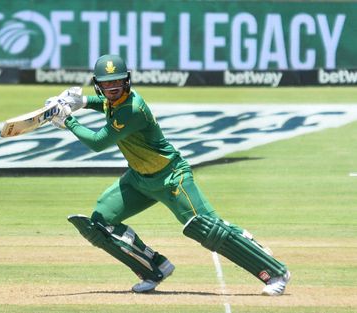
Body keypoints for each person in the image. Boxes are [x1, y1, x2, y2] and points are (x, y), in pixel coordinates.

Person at [45, 54, 291, 296]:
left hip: (172, 177)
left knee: (207, 229)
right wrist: (83, 102)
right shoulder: (115, 101)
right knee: (100, 222)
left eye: (117, 81)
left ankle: (275, 271)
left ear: (127, 80)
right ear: (98, 84)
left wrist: (68, 120)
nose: (113, 88)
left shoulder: (132, 108)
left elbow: (98, 142)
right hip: (139, 180)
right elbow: (107, 105)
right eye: (107, 83)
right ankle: (154, 269)